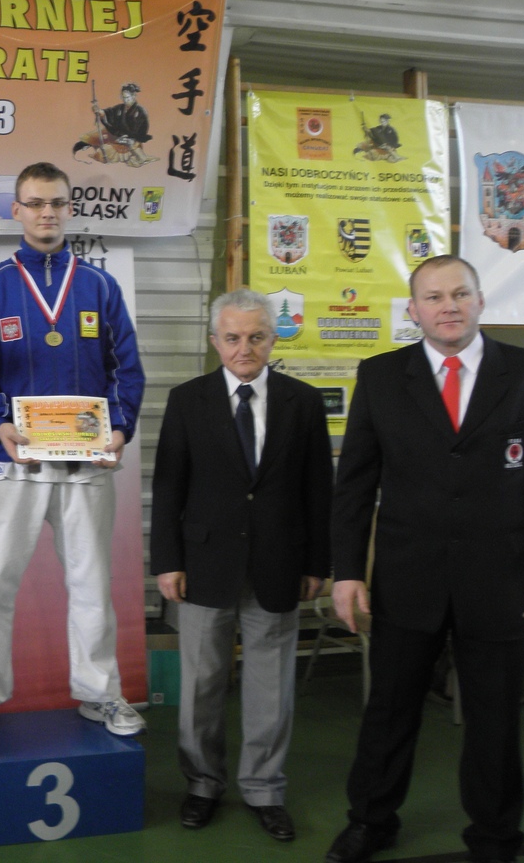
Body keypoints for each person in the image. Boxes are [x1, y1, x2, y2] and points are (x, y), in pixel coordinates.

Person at [325, 255, 524, 863]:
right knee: (389, 712)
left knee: (496, 720)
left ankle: (495, 837)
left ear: (481, 300)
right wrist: (347, 572)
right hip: (405, 579)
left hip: (501, 581)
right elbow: (354, 487)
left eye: (460, 294)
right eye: (434, 297)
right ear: (413, 310)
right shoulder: (381, 376)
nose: (449, 306)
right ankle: (370, 821)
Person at [0, 161, 147, 745]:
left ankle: (99, 692)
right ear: (16, 210)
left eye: (57, 203)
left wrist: (119, 429)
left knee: (92, 584)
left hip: (86, 462)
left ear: (70, 208)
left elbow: (127, 368)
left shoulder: (99, 286)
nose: (47, 213)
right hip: (13, 461)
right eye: (36, 203)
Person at [151, 288, 333, 842]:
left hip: (279, 563)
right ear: (215, 341)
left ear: (273, 339)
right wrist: (167, 562)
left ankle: (264, 788)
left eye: (256, 337)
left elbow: (318, 490)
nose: (244, 348)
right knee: (201, 683)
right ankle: (202, 783)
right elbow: (169, 488)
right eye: (232, 338)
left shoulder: (303, 402)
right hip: (204, 564)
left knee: (270, 686)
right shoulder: (188, 400)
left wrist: (317, 562)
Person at [72, 82, 151, 166]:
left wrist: (127, 138)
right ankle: (87, 144)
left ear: (134, 96)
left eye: (127, 97)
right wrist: (100, 112)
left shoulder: (140, 112)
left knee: (101, 154)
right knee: (92, 136)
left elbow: (140, 133)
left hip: (129, 142)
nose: (125, 100)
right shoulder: (120, 108)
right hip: (116, 134)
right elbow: (110, 112)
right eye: (123, 97)